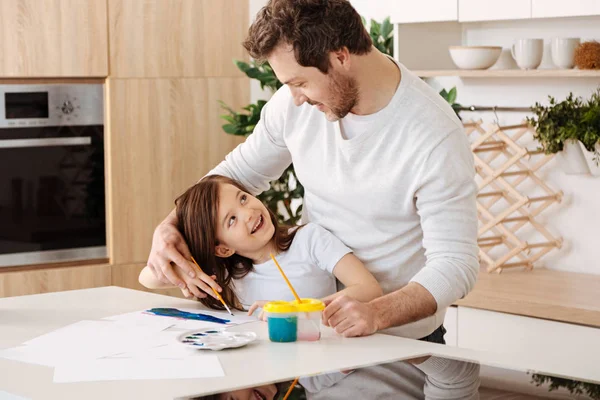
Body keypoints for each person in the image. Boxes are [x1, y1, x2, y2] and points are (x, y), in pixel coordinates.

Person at [146, 0, 479, 340]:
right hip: (316, 336)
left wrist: (376, 312)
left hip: (403, 344)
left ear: (340, 56)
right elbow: (236, 175)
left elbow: (456, 263)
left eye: (300, 83)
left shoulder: (434, 135)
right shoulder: (295, 106)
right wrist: (170, 226)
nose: (295, 99)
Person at [139, 175, 382, 312]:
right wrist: (186, 271)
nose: (248, 213)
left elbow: (369, 289)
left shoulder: (309, 239)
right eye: (231, 219)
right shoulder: (230, 277)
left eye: (243, 199)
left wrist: (295, 311)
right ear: (223, 249)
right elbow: (147, 279)